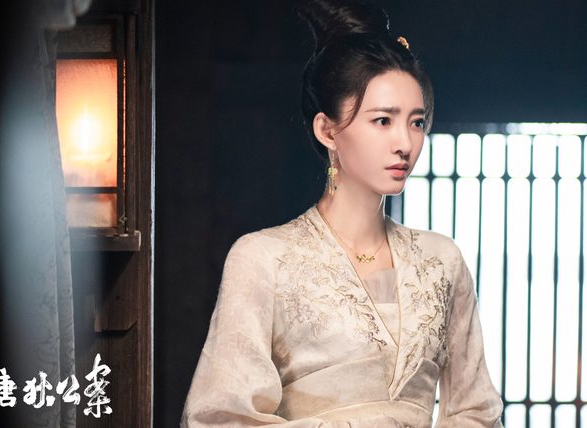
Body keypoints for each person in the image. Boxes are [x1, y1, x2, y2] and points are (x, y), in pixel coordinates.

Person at [181, 0, 504, 426]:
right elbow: (221, 417)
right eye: (383, 121)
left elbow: (477, 411)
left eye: (416, 122)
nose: (405, 144)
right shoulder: (262, 258)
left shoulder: (442, 260)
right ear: (327, 129)